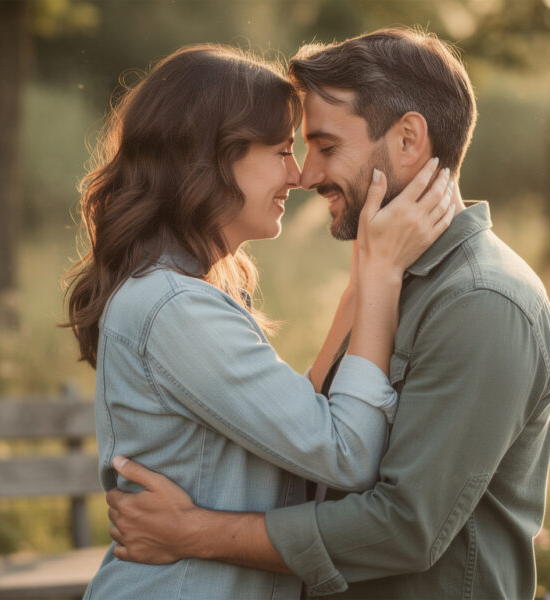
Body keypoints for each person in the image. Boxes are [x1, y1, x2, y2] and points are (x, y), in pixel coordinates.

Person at [106, 28, 550, 599]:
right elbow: (315, 448)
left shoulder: (478, 302)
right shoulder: (390, 279)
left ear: (408, 139)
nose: (308, 174)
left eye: (325, 146)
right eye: (291, 150)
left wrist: (198, 533)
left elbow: (404, 527)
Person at [63, 44, 458, 600]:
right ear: (212, 158)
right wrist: (381, 279)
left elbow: (297, 425)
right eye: (280, 150)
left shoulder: (186, 295)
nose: (297, 175)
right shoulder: (175, 307)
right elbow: (345, 453)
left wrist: (363, 279)